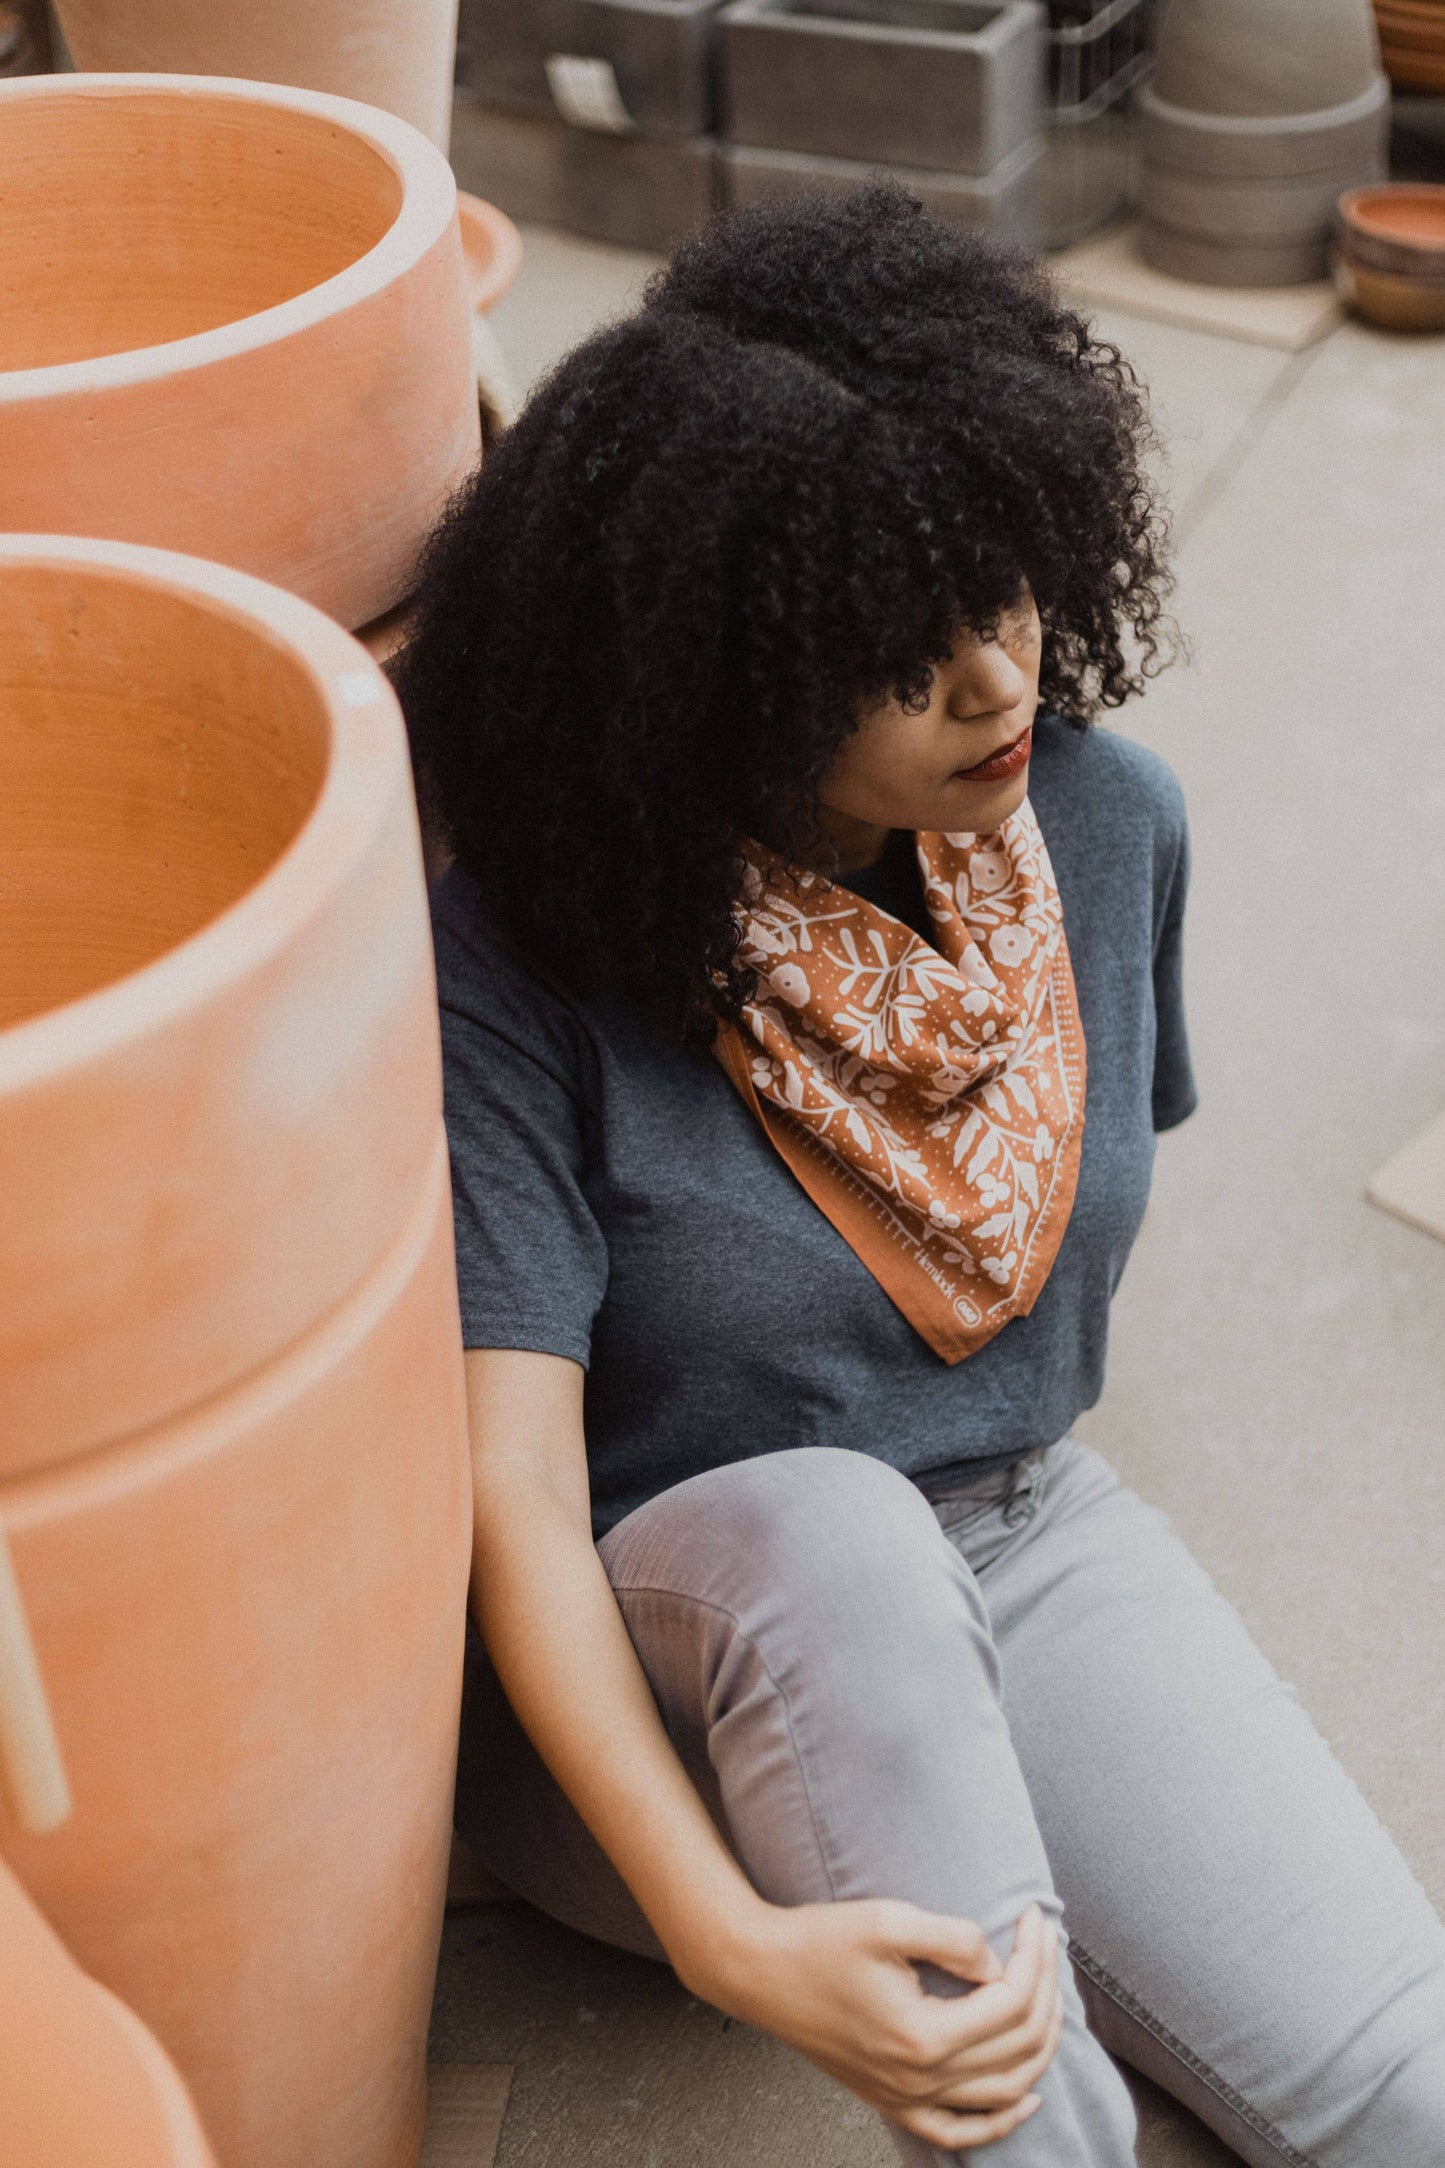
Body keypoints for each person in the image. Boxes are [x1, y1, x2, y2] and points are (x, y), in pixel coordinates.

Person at [398, 187, 1445, 2164]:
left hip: (1026, 1532)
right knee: (833, 1538)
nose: (995, 683)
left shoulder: (1110, 828)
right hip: (663, 1665)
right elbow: (515, 1497)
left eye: (1008, 590)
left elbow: (1062, 1275)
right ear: (729, 667)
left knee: (1411, 2091)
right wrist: (724, 1940)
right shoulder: (529, 961)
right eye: (901, 648)